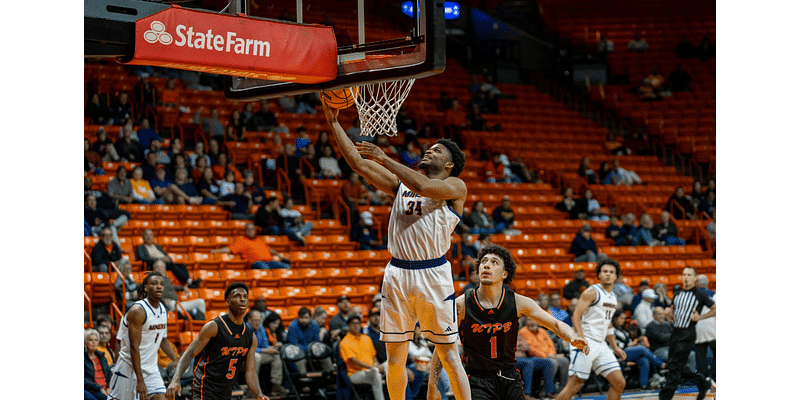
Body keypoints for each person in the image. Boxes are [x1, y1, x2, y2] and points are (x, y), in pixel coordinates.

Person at [323, 100, 472, 400]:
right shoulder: (401, 186)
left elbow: (426, 187)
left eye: (438, 150)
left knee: (449, 356)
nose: (429, 150)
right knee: (395, 359)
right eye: (429, 147)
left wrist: (384, 157)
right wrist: (333, 122)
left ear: (449, 166)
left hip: (433, 274)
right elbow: (357, 163)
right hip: (397, 274)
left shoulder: (455, 186)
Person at [427, 244, 588, 400]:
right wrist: (432, 386)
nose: (486, 265)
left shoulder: (518, 302)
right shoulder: (461, 305)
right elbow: (442, 346)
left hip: (509, 377)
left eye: (494, 262)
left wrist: (572, 337)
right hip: (475, 380)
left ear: (504, 274)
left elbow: (556, 324)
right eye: (483, 262)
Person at [166, 283, 269, 400]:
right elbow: (189, 353)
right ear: (227, 302)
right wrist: (175, 380)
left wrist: (259, 394)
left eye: (245, 297)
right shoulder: (213, 327)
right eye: (237, 296)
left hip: (226, 393)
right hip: (204, 391)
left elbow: (250, 372)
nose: (242, 299)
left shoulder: (250, 337)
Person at [555, 259, 627, 400]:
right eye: (605, 271)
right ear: (599, 275)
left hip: (601, 344)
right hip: (586, 340)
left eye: (611, 272)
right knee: (575, 385)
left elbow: (609, 325)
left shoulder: (613, 297)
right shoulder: (592, 292)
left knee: (619, 382)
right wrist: (581, 338)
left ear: (616, 276)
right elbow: (576, 315)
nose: (608, 274)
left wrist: (615, 347)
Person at [109, 272, 179, 400]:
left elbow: (162, 339)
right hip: (129, 368)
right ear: (146, 288)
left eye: (161, 284)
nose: (159, 287)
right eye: (154, 284)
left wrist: (175, 359)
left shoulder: (163, 310)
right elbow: (134, 346)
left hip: (151, 369)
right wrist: (140, 380)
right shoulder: (138, 311)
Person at [659, 267, 715, 400]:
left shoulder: (699, 294)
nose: (686, 277)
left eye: (689, 275)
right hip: (675, 332)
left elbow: (715, 309)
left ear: (695, 278)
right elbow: (673, 315)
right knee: (674, 365)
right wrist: (668, 314)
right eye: (684, 274)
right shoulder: (677, 294)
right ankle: (702, 382)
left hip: (688, 333)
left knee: (675, 366)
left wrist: (700, 317)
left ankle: (665, 396)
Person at [517, 317, 570, 399]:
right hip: (535, 357)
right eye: (529, 320)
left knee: (564, 361)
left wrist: (552, 354)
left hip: (549, 355)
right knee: (551, 362)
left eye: (534, 319)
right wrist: (546, 356)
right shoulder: (523, 332)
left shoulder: (542, 331)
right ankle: (545, 391)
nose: (533, 322)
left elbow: (551, 345)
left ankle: (563, 391)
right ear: (526, 321)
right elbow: (530, 349)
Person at [611, 310, 666, 389]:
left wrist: (635, 343)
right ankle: (661, 364)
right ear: (615, 318)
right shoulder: (611, 330)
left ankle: (644, 384)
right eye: (621, 318)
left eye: (624, 318)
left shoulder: (622, 329)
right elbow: (617, 345)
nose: (623, 320)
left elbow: (629, 343)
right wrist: (632, 345)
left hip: (626, 351)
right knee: (642, 349)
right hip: (617, 353)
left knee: (644, 360)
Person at [339, 314, 386, 400]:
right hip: (356, 374)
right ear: (349, 326)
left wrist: (376, 364)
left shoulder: (366, 338)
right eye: (353, 323)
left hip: (372, 369)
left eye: (357, 323)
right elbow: (354, 360)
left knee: (392, 365)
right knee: (376, 374)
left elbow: (374, 355)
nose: (356, 325)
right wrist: (372, 367)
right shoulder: (345, 342)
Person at [246, 309, 289, 397]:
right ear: (249, 320)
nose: (258, 323)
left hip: (259, 353)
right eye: (255, 320)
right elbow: (247, 348)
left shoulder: (261, 328)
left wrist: (272, 348)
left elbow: (265, 344)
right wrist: (265, 350)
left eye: (259, 320)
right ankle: (252, 387)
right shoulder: (244, 329)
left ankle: (276, 384)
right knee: (256, 356)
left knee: (275, 355)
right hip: (245, 357)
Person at [211, 222, 291, 269]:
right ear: (245, 231)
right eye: (248, 229)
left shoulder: (259, 240)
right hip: (256, 262)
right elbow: (229, 249)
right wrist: (217, 251)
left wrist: (279, 255)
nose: (250, 231)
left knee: (287, 267)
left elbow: (269, 249)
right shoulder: (242, 241)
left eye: (252, 229)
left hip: (270, 261)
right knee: (265, 269)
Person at [694, 276, 716, 384]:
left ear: (696, 284)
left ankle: (702, 379)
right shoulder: (713, 294)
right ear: (707, 283)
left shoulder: (691, 295)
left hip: (697, 328)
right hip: (712, 327)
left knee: (700, 355)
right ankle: (713, 376)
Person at [85, 329, 112, 400]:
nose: (94, 342)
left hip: (106, 390)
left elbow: (109, 375)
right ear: (85, 343)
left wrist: (109, 387)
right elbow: (84, 380)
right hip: (93, 390)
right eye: (90, 340)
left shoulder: (102, 357)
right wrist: (100, 388)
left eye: (96, 340)